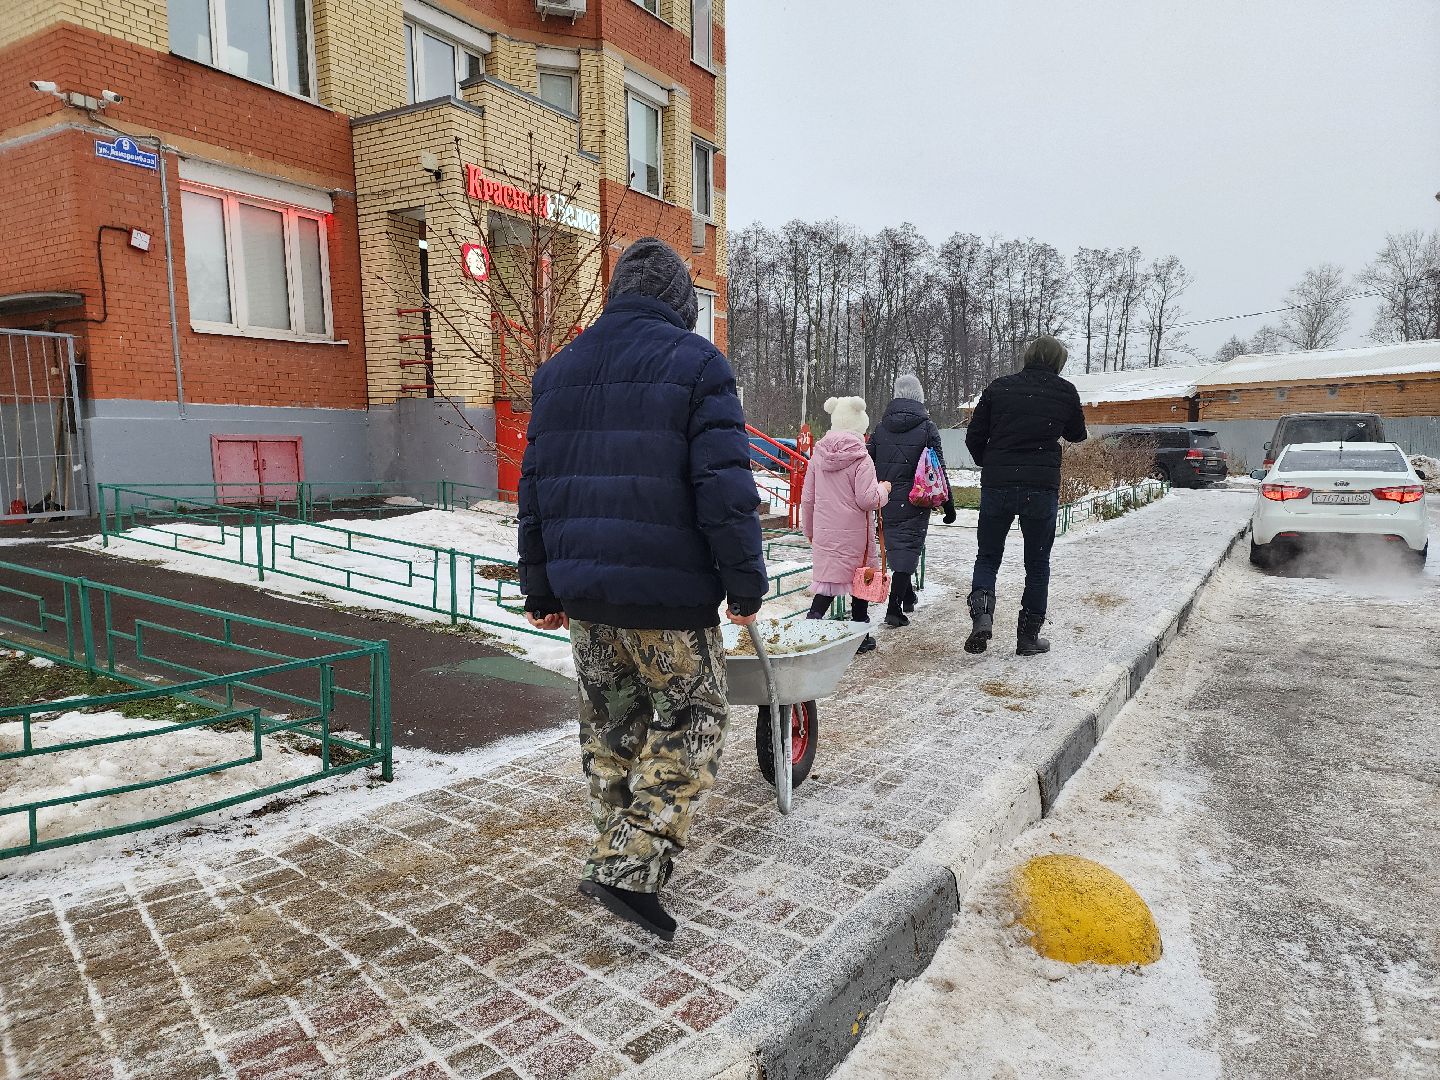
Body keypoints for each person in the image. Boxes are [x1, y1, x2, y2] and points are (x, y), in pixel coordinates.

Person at [518, 237, 768, 943]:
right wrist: (743, 583)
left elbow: (532, 490)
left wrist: (540, 585)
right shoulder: (698, 365)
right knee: (693, 719)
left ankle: (611, 854)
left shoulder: (558, 371)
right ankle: (628, 870)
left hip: (587, 600)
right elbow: (723, 490)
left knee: (609, 729)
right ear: (680, 306)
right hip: (668, 599)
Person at [963, 335, 1087, 656]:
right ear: (1058, 361)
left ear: (1028, 356)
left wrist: (990, 461)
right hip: (1040, 488)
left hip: (998, 485)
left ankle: (983, 616)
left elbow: (974, 435)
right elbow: (1077, 433)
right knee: (1037, 564)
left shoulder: (999, 387)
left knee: (988, 556)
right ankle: (1028, 638)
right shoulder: (1065, 391)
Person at [801, 396, 891, 654]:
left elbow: (808, 499)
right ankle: (860, 636)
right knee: (860, 579)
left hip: (825, 532)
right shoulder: (862, 459)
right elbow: (867, 500)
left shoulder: (817, 457)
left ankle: (811, 627)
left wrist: (810, 531)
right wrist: (883, 490)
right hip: (855, 534)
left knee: (828, 582)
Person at [869, 374, 956, 628]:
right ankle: (894, 609)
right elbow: (938, 469)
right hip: (916, 499)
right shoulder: (927, 428)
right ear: (919, 396)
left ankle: (907, 597)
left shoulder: (881, 427)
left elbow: (867, 461)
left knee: (896, 548)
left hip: (884, 498)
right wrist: (948, 504)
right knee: (908, 549)